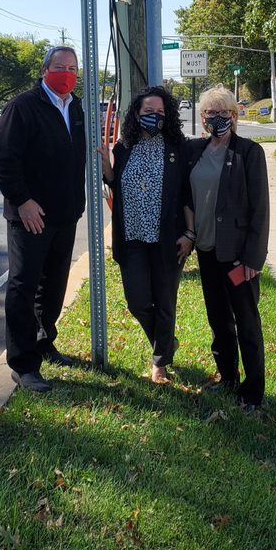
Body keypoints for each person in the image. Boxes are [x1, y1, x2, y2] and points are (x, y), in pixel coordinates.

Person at [0, 46, 85, 393]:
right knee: (23, 287)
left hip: (65, 214)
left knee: (54, 286)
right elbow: (4, 161)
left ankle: (44, 341)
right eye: (60, 67)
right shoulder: (23, 107)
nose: (67, 73)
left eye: (73, 68)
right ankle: (24, 364)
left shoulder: (74, 105)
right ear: (45, 69)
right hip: (30, 217)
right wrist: (24, 202)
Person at [98, 87, 194, 384]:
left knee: (164, 301)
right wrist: (106, 168)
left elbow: (187, 194)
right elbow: (117, 185)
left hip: (168, 239)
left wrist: (190, 234)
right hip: (132, 238)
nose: (156, 117)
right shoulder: (123, 147)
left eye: (161, 113)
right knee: (138, 301)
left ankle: (160, 363)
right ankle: (165, 342)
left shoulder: (179, 148)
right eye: (149, 112)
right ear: (136, 115)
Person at [187, 85, 270, 411]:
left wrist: (253, 257)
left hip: (237, 257)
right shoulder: (196, 151)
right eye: (210, 113)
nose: (217, 119)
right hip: (207, 251)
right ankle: (228, 377)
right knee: (218, 319)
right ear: (202, 117)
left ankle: (253, 392)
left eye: (224, 113)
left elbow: (260, 210)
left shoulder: (249, 153)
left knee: (247, 323)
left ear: (235, 117)